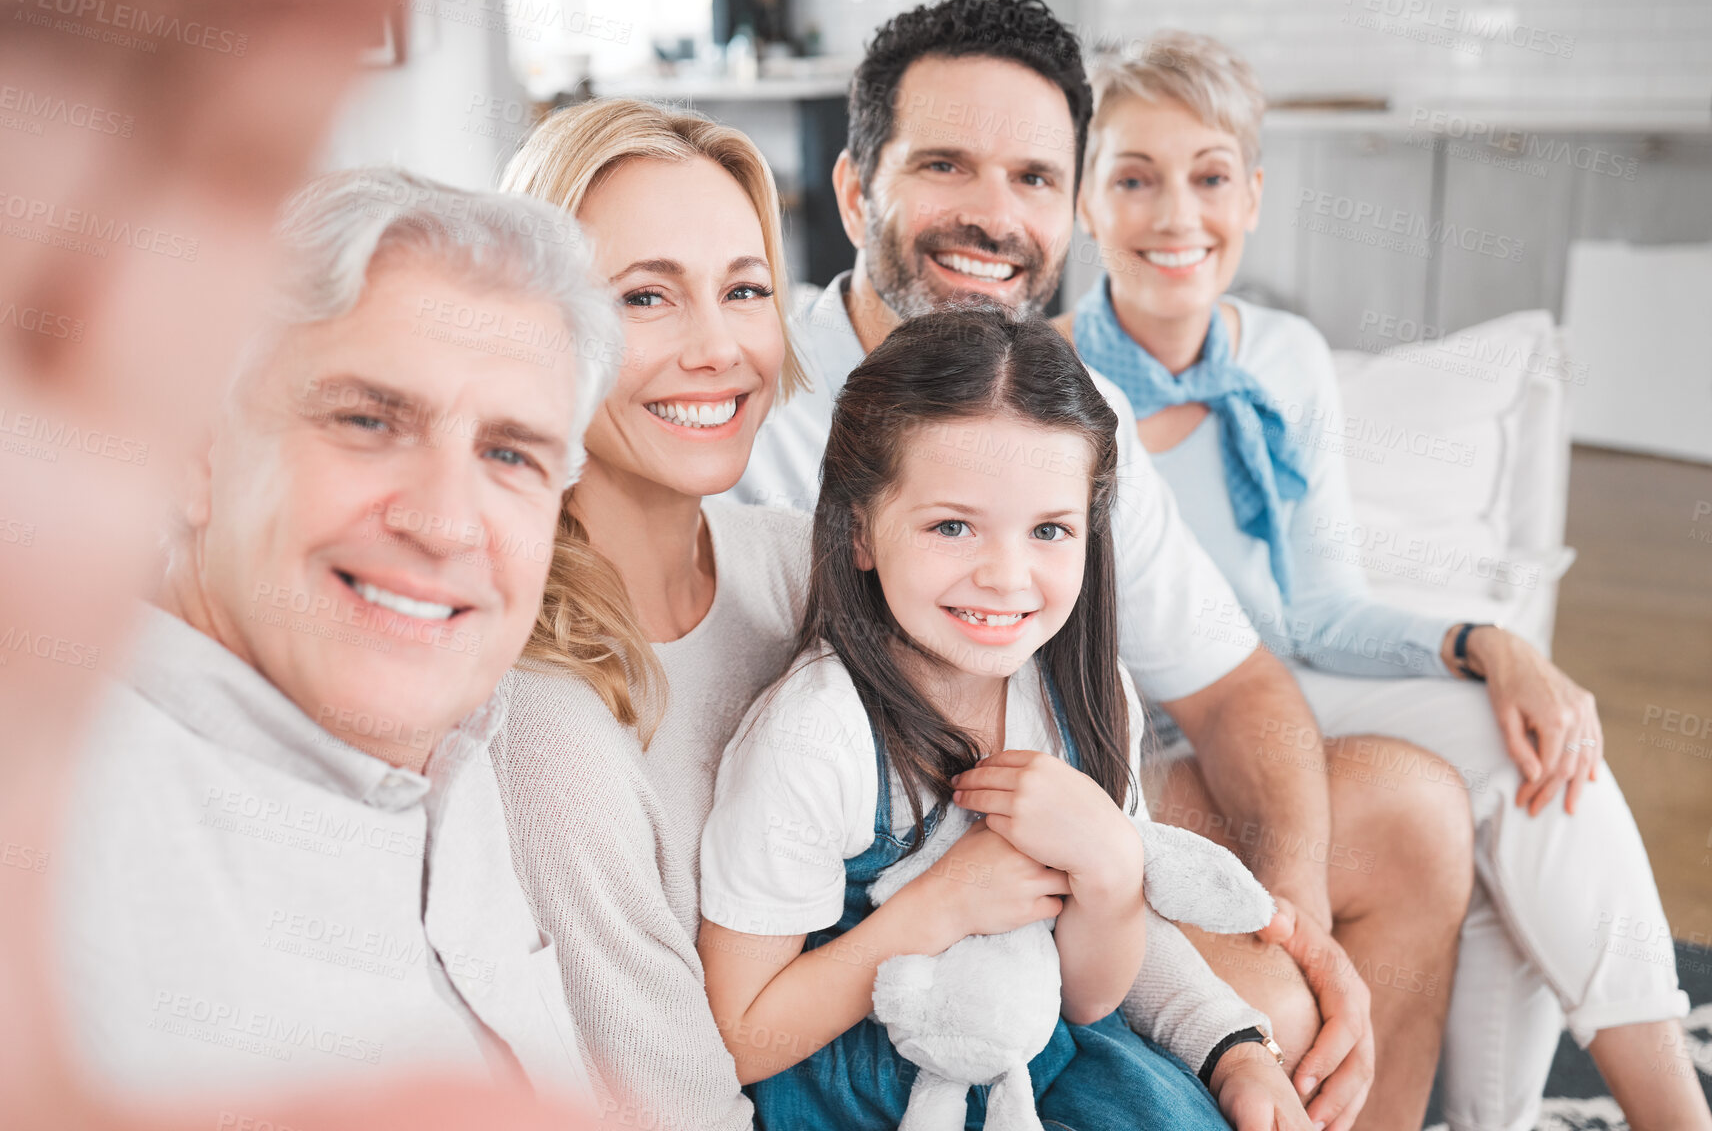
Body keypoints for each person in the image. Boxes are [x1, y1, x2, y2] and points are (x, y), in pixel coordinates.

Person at [729, 0, 1474, 1130]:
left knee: (1406, 818)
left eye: (1032, 177)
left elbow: (1234, 687)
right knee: (1258, 1009)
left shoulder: (1072, 418)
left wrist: (1293, 918)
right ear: (852, 190)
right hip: (856, 924)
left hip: (1049, 843)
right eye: (944, 164)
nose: (992, 215)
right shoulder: (751, 400)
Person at [1065, 31, 1711, 1131]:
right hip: (1173, 728)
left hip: (1294, 677)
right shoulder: (1050, 382)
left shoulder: (1284, 354)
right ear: (1085, 204)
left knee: (1533, 752)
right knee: (1456, 806)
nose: (1177, 215)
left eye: (1209, 176)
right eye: (1133, 178)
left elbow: (1318, 611)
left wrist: (1486, 643)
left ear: (1253, 194)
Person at [49, 167, 621, 1115]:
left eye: (510, 453)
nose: (446, 523)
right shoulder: (59, 835)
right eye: (366, 420)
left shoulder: (456, 740)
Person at [700, 308, 1311, 1130]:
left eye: (1050, 530)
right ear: (860, 533)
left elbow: (1090, 996)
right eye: (953, 526)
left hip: (1039, 1059)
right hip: (863, 1091)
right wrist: (937, 909)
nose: (1006, 576)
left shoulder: (1085, 699)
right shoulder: (816, 737)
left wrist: (1111, 876)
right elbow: (737, 1037)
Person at [491, 99, 813, 1131]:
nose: (718, 346)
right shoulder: (549, 720)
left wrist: (1226, 1039)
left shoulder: (805, 567)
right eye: (646, 298)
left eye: (744, 290)